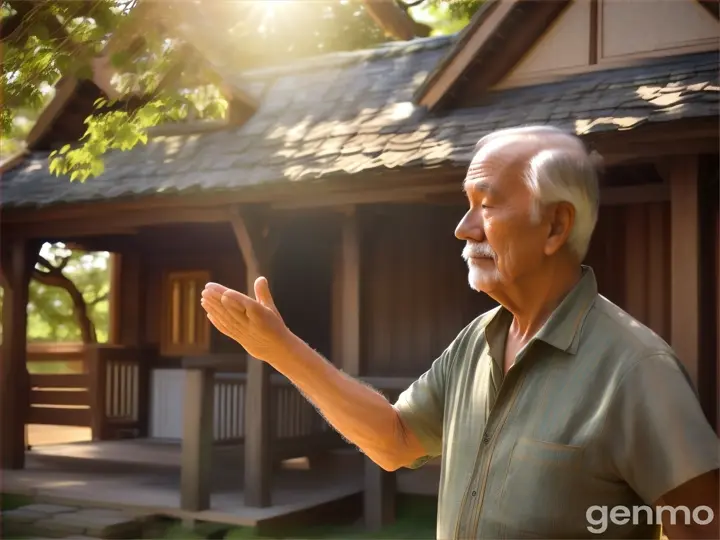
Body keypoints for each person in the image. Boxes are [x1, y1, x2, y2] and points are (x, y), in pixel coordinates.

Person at [200, 125, 719, 539]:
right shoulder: (477, 342)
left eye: (486, 204)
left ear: (556, 227)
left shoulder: (636, 370)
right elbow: (395, 440)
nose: (463, 227)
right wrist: (280, 349)